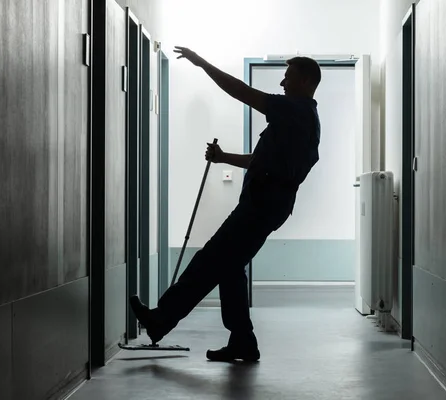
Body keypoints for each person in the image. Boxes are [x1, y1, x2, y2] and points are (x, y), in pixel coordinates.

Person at [130, 46, 322, 362]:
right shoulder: (302, 118)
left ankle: (160, 320)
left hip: (261, 208)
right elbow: (262, 160)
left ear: (304, 82)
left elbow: (243, 92)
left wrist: (202, 62)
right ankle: (243, 341)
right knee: (230, 269)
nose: (282, 83)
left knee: (209, 261)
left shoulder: (296, 111)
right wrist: (223, 158)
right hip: (265, 206)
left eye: (288, 77)